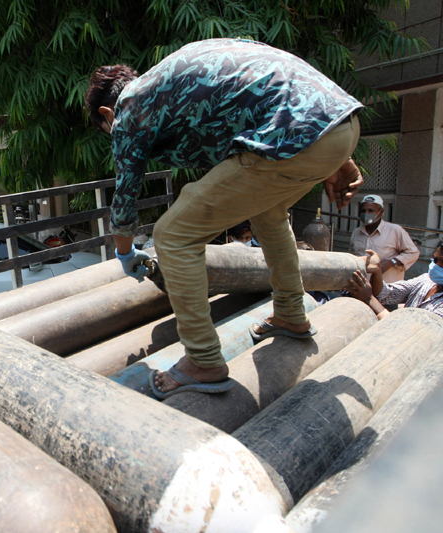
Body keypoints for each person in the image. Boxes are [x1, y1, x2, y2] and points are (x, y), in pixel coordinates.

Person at [85, 38, 364, 397]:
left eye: (108, 130)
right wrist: (337, 151)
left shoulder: (128, 108)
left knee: (173, 234)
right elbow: (276, 82)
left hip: (302, 135)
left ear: (107, 115)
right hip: (341, 124)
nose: (115, 135)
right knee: (268, 213)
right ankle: (291, 314)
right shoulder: (176, 73)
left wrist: (124, 252)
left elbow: (125, 199)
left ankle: (203, 360)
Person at [345, 244, 443, 320]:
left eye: (441, 264)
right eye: (435, 259)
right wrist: (377, 270)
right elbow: (386, 294)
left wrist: (369, 299)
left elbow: (406, 332)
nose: (436, 265)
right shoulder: (426, 281)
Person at [349, 194, 418, 283]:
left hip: (388, 287)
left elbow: (413, 253)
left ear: (381, 212)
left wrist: (391, 262)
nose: (367, 214)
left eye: (371, 210)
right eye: (363, 211)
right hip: (362, 286)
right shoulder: (356, 232)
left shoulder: (395, 230)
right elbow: (351, 257)